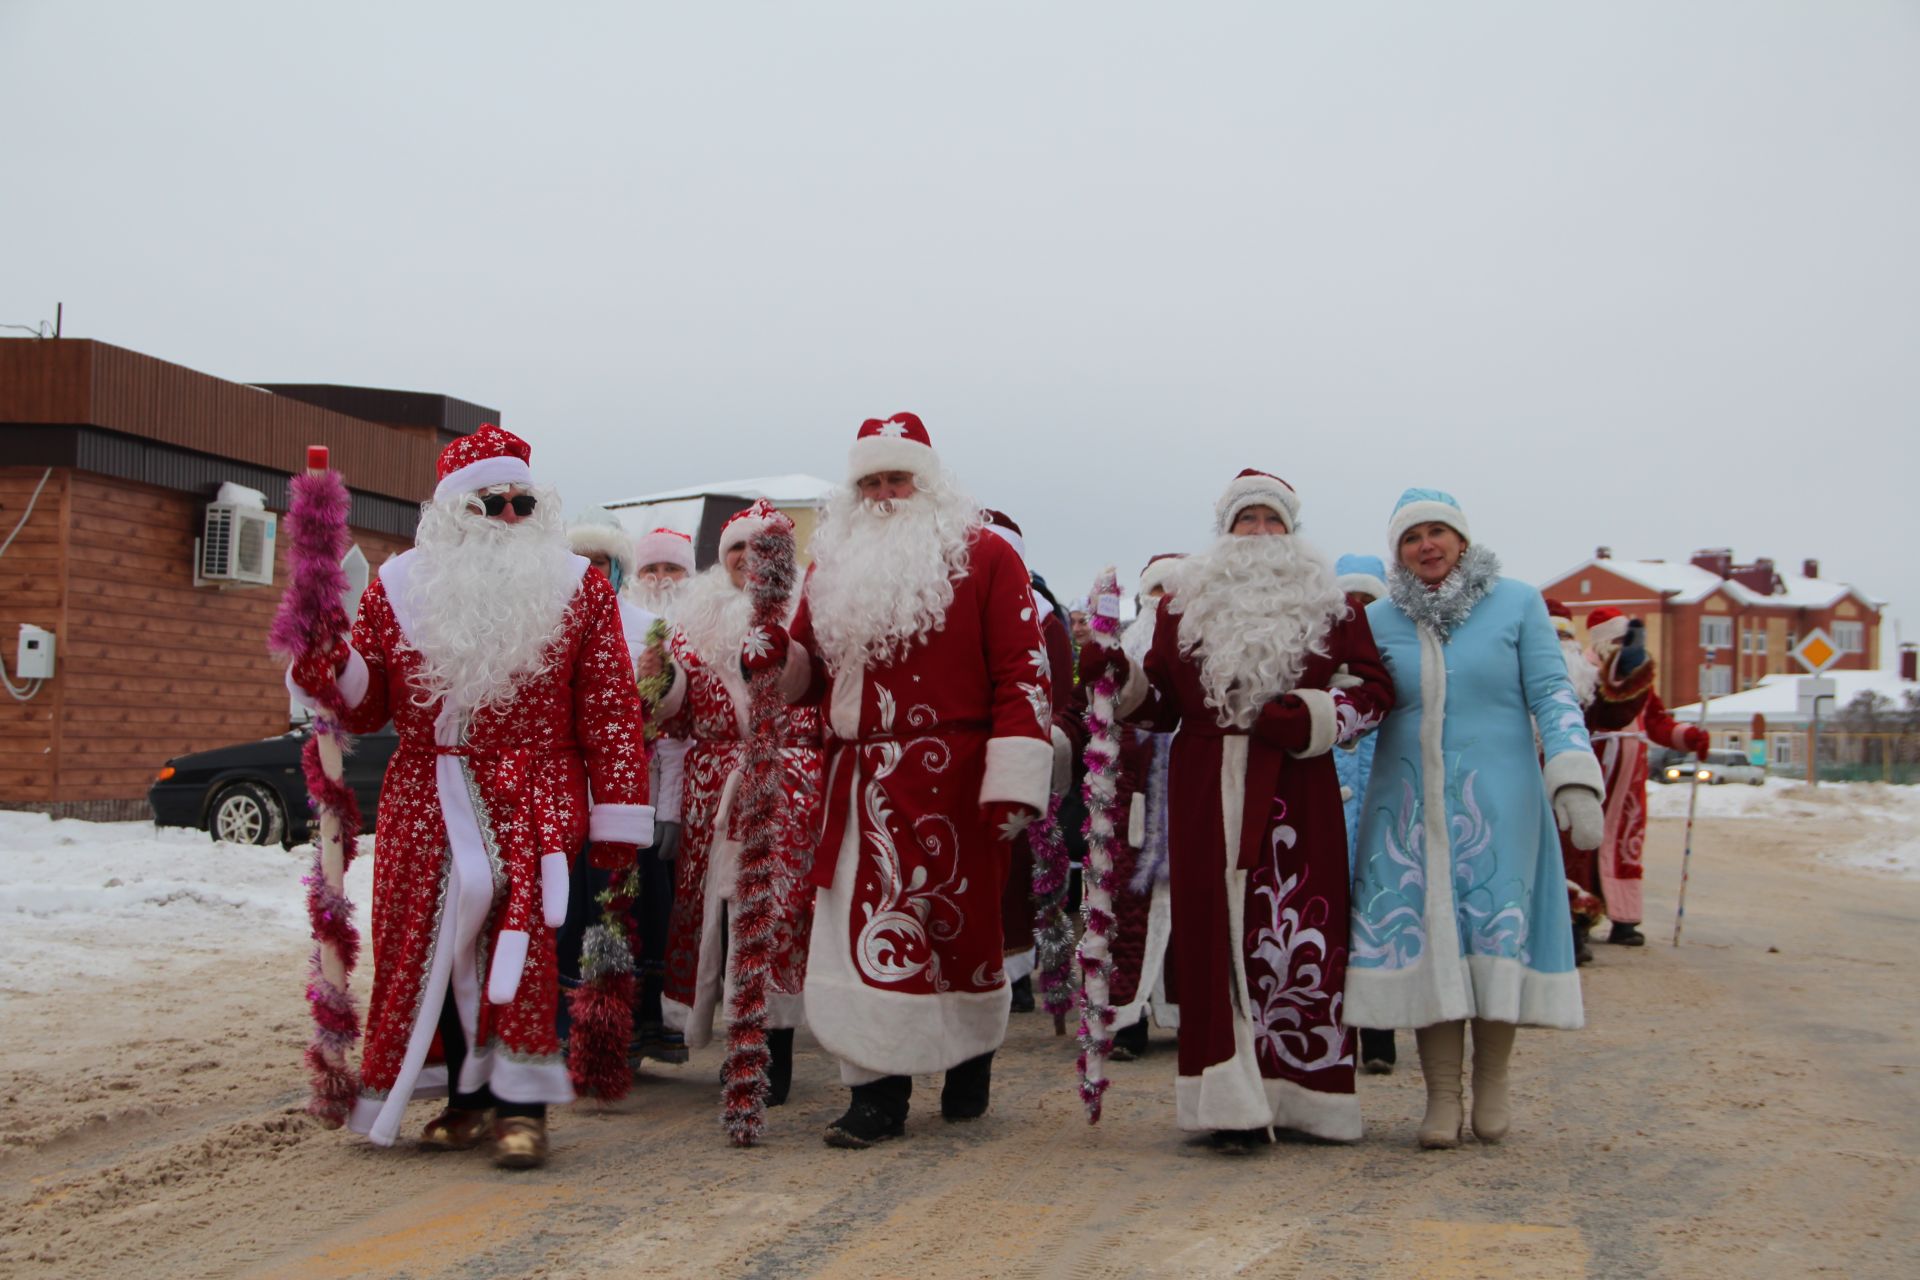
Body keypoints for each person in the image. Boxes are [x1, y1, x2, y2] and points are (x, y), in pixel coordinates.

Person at [288, 425, 652, 1168]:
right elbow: (367, 705)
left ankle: (524, 1109)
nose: (510, 517)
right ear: (455, 512)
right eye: (492, 504)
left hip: (536, 789)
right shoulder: (400, 586)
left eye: (523, 502)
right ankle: (465, 1095)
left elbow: (612, 709)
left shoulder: (577, 587)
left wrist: (617, 813)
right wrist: (327, 655)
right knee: (432, 947)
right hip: (428, 790)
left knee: (524, 948)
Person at [1080, 470, 1394, 1149]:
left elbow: (1372, 693)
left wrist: (1316, 715)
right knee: (1209, 933)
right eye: (1245, 522)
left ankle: (1303, 1097)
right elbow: (1161, 703)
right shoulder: (1180, 608)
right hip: (1202, 783)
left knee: (1297, 930)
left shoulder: (1334, 607)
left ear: (1292, 530)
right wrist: (1121, 680)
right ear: (1223, 534)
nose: (1258, 535)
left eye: (1271, 521)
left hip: (1295, 788)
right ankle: (1227, 1104)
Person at [767, 412, 1054, 1148]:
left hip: (956, 777)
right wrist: (769, 654)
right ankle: (877, 1095)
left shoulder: (988, 556)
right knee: (857, 936)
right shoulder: (830, 567)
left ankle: (967, 1060)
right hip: (860, 780)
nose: (886, 493)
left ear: (929, 484)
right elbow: (805, 675)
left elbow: (1024, 670)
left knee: (959, 933)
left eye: (900, 478)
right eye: (872, 481)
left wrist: (1015, 774)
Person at [1346, 488, 1602, 1150]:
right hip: (1407, 811)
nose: (1426, 545)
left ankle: (1491, 1087)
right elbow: (1355, 700)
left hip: (1503, 804)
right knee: (1428, 948)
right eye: (1411, 537)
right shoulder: (1378, 620)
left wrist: (1574, 774)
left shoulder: (1517, 603)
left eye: (1438, 532)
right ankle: (1440, 1098)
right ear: (1397, 552)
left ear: (1462, 540)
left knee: (1494, 944)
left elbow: (1551, 692)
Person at [655, 500, 825, 1105]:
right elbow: (671, 713)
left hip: (789, 780)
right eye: (736, 549)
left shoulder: (809, 617)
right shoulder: (689, 623)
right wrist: (660, 679)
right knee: (718, 922)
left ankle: (771, 1054)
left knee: (775, 915)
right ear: (720, 559)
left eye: (761, 550)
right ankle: (733, 1044)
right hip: (712, 791)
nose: (747, 560)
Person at [981, 509, 1080, 1016]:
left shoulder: (1042, 617)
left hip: (1020, 751)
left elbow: (1059, 692)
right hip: (967, 755)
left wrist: (1040, 744)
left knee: (1021, 868)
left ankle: (1017, 972)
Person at [1577, 607, 1710, 948]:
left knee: (1626, 843)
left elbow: (1657, 722)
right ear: (1604, 642)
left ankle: (1625, 919)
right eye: (1619, 640)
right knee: (1582, 841)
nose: (1624, 646)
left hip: (1630, 779)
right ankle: (1579, 916)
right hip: (1593, 764)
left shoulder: (1639, 680)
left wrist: (1687, 736)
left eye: (1628, 640)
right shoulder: (1584, 670)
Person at [1106, 553, 1186, 1060]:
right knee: (1123, 917)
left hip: (1184, 803)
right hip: (1126, 808)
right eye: (1155, 592)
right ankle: (1125, 1022)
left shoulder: (1193, 646)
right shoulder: (1125, 649)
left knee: (1186, 919)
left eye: (1172, 593)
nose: (1162, 602)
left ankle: (1184, 1013)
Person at [628, 526, 698, 1062]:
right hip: (630, 784)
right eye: (650, 569)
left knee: (671, 909)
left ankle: (669, 1024)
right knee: (630, 905)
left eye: (670, 569)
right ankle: (631, 1024)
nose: (659, 579)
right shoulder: (623, 624)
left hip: (686, 786)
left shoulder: (701, 627)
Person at [1332, 553, 1396, 1074]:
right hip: (1327, 817)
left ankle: (1380, 1036)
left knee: (1379, 925)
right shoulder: (1319, 669)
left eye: (1368, 601)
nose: (1360, 611)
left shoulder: (1392, 671)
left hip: (1381, 813)